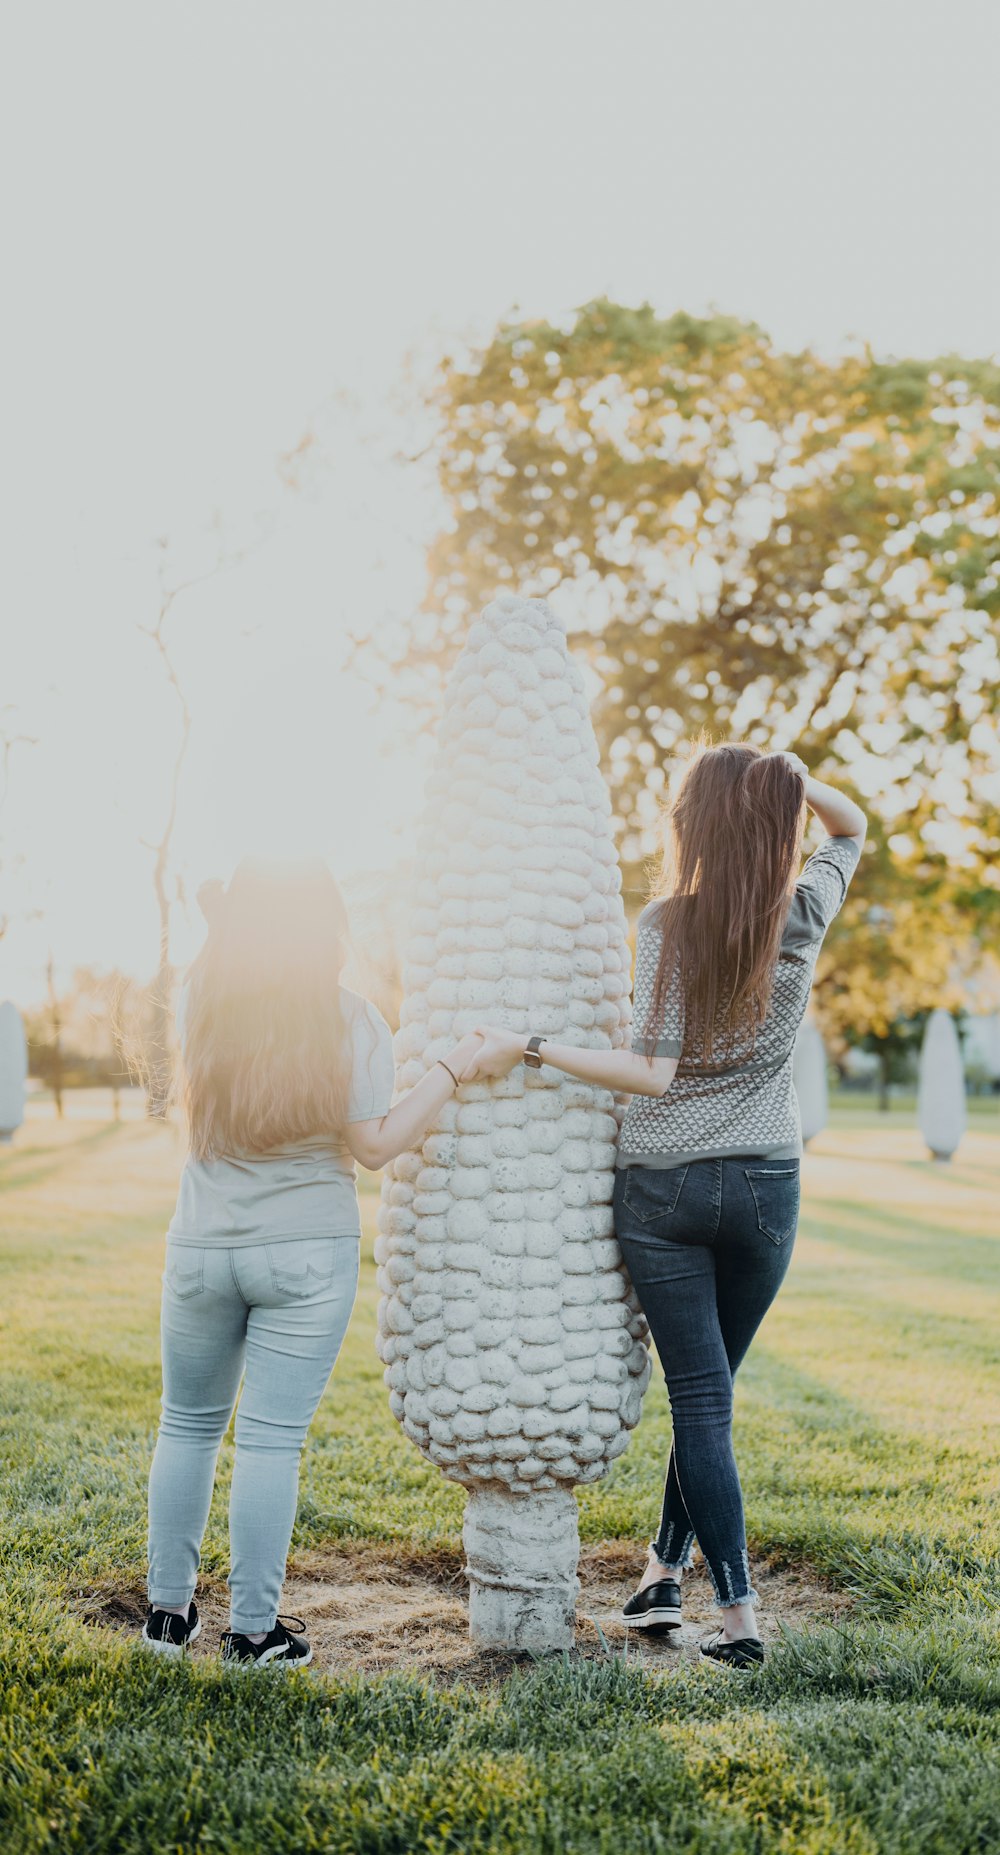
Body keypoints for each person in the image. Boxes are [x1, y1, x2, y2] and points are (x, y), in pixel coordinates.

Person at [464, 744, 866, 1668]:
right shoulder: (799, 913)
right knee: (711, 1397)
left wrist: (530, 1045)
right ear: (770, 826)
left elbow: (651, 1071)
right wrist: (792, 784)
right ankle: (662, 1575)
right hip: (766, 1186)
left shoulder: (665, 923)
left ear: (692, 827)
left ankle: (737, 1617)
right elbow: (854, 825)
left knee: (702, 1402)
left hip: (666, 1188)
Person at [141, 857, 484, 1667]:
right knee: (268, 1442)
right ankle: (253, 1633)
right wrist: (449, 1071)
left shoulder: (198, 999)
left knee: (186, 1427)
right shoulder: (354, 1019)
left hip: (200, 1249)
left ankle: (165, 1619)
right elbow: (373, 1147)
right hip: (304, 1256)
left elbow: (216, 946)